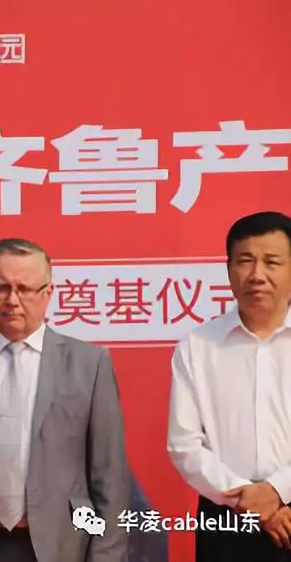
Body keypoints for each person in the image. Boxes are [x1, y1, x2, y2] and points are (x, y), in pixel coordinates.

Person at [0, 239, 129, 562]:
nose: (12, 300)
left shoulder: (88, 365)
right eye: (1, 287)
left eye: (25, 289)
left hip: (63, 545)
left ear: (48, 292)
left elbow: (110, 478)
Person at [167, 211, 291, 561]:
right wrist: (249, 499)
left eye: (272, 262)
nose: (257, 275)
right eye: (245, 261)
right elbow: (183, 444)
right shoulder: (198, 346)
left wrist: (277, 491)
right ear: (228, 269)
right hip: (227, 518)